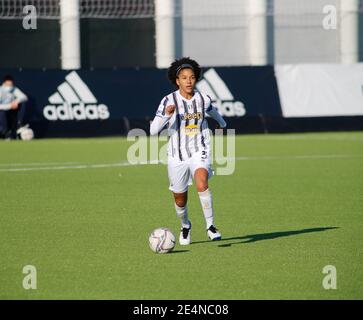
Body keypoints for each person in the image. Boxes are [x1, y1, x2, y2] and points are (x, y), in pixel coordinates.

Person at [150, 57, 227, 245]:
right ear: (177, 81)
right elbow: (153, 131)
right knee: (180, 199)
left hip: (200, 149)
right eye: (184, 78)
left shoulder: (203, 99)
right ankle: (185, 225)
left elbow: (212, 111)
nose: (189, 81)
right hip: (176, 155)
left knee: (201, 182)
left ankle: (211, 226)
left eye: (192, 77)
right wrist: (167, 115)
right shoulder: (168, 100)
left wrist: (223, 122)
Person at [0, 74, 28, 139]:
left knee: (22, 103)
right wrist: (10, 106)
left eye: (10, 85)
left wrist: (16, 101)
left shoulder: (14, 89)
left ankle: (19, 124)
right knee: (2, 113)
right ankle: (5, 133)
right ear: (3, 83)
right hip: (2, 111)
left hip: (12, 110)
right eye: (7, 85)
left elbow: (24, 97)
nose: (9, 87)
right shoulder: (0, 90)